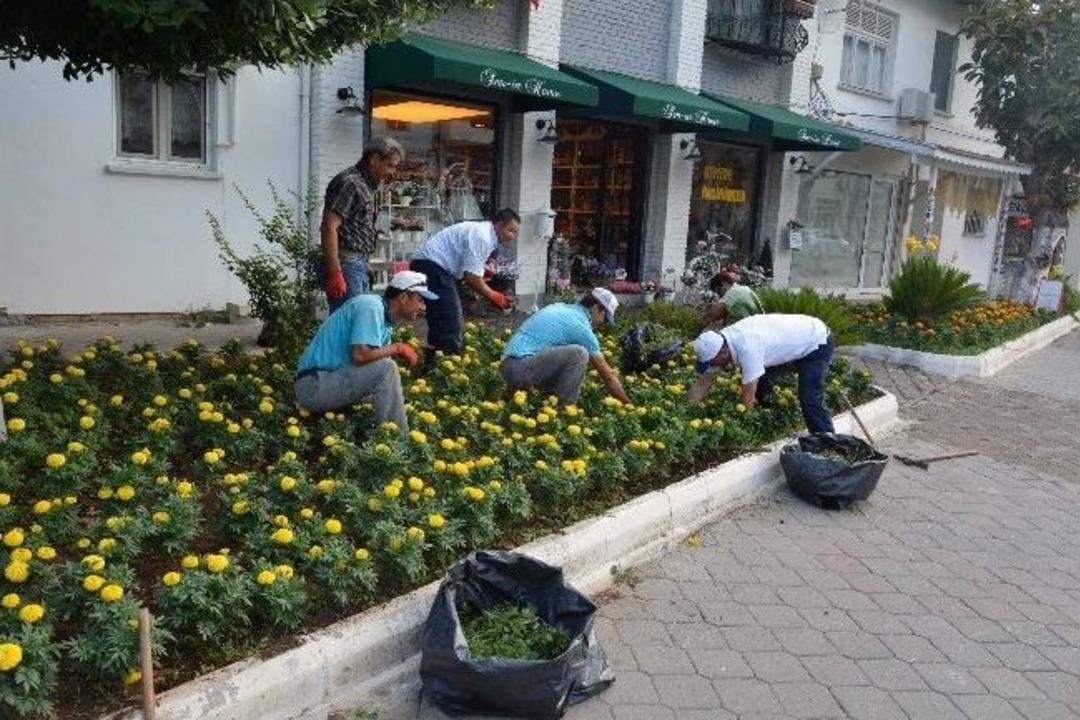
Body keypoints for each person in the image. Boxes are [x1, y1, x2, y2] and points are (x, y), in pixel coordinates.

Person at [294, 270, 436, 433]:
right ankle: (398, 443)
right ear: (403, 297)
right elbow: (360, 355)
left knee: (390, 390)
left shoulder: (384, 321)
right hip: (313, 385)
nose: (423, 307)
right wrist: (398, 348)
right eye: (420, 300)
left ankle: (384, 440)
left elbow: (372, 368)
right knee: (387, 369)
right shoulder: (371, 306)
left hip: (328, 382)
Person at [690, 314, 836, 433]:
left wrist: (744, 429)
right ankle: (771, 418)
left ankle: (827, 443)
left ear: (723, 352)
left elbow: (748, 398)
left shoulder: (748, 348)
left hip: (816, 340)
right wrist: (688, 409)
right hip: (790, 339)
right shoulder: (720, 341)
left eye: (712, 362)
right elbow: (704, 380)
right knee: (763, 383)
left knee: (810, 398)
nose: (711, 366)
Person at [410, 208, 520, 355]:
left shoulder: (485, 233)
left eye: (515, 232)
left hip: (431, 265)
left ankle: (434, 363)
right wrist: (494, 296)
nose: (513, 236)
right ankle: (446, 366)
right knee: (449, 321)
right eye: (510, 230)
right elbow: (471, 278)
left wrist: (486, 283)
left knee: (443, 319)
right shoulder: (483, 237)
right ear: (499, 224)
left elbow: (471, 272)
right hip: (433, 265)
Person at [501, 288, 631, 406]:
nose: (603, 324)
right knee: (579, 354)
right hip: (519, 368)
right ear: (596, 308)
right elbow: (608, 377)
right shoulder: (581, 327)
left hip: (508, 364)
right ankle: (563, 412)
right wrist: (628, 406)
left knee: (570, 367)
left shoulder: (561, 308)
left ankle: (510, 397)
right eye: (605, 319)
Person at [321, 137, 404, 313]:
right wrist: (335, 272)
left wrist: (364, 261)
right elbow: (329, 226)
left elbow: (356, 226)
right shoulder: (350, 183)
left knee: (358, 321)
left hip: (357, 263)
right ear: (374, 160)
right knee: (349, 323)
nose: (393, 172)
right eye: (391, 165)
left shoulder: (366, 185)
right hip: (347, 263)